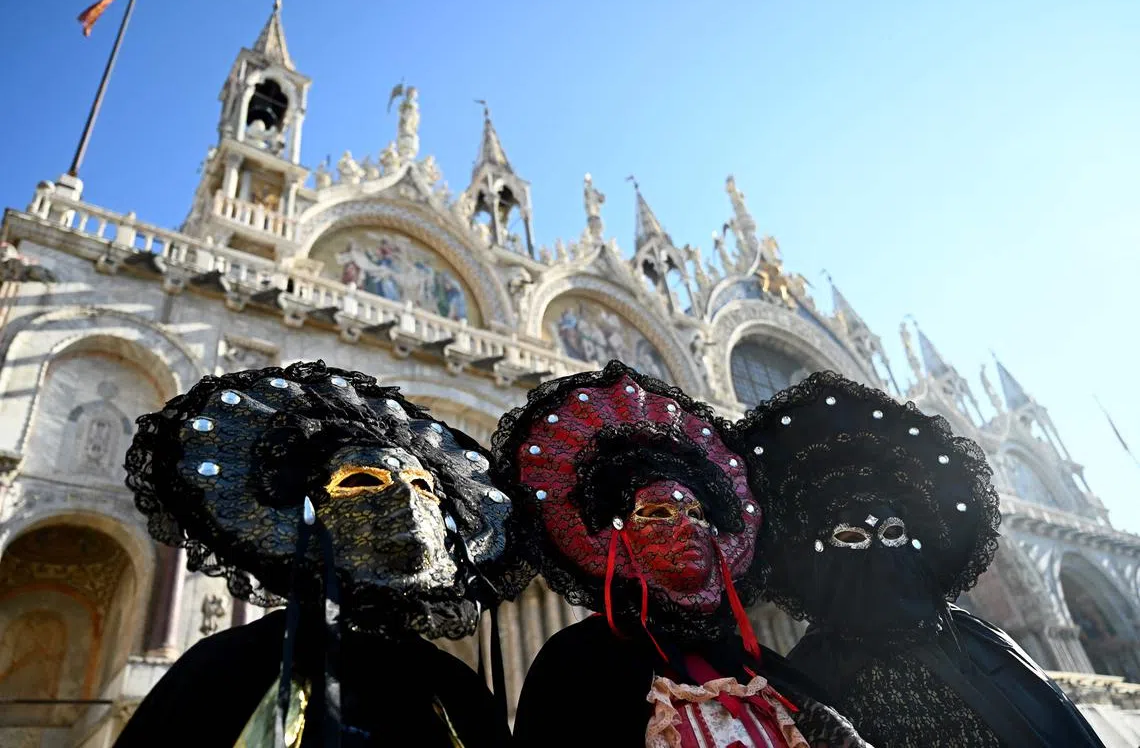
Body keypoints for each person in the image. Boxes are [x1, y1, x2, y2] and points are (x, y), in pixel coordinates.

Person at [116, 361, 532, 747]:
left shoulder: (455, 688)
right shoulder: (235, 667)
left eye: (424, 487)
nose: (406, 503)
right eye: (364, 480)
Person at [494, 360, 869, 748]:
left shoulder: (767, 669)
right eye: (658, 513)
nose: (688, 527)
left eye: (697, 514)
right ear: (616, 535)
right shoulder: (579, 665)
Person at [726, 370, 1105, 748]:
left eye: (893, 534)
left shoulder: (975, 640)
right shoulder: (810, 678)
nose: (879, 554)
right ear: (820, 558)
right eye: (851, 538)